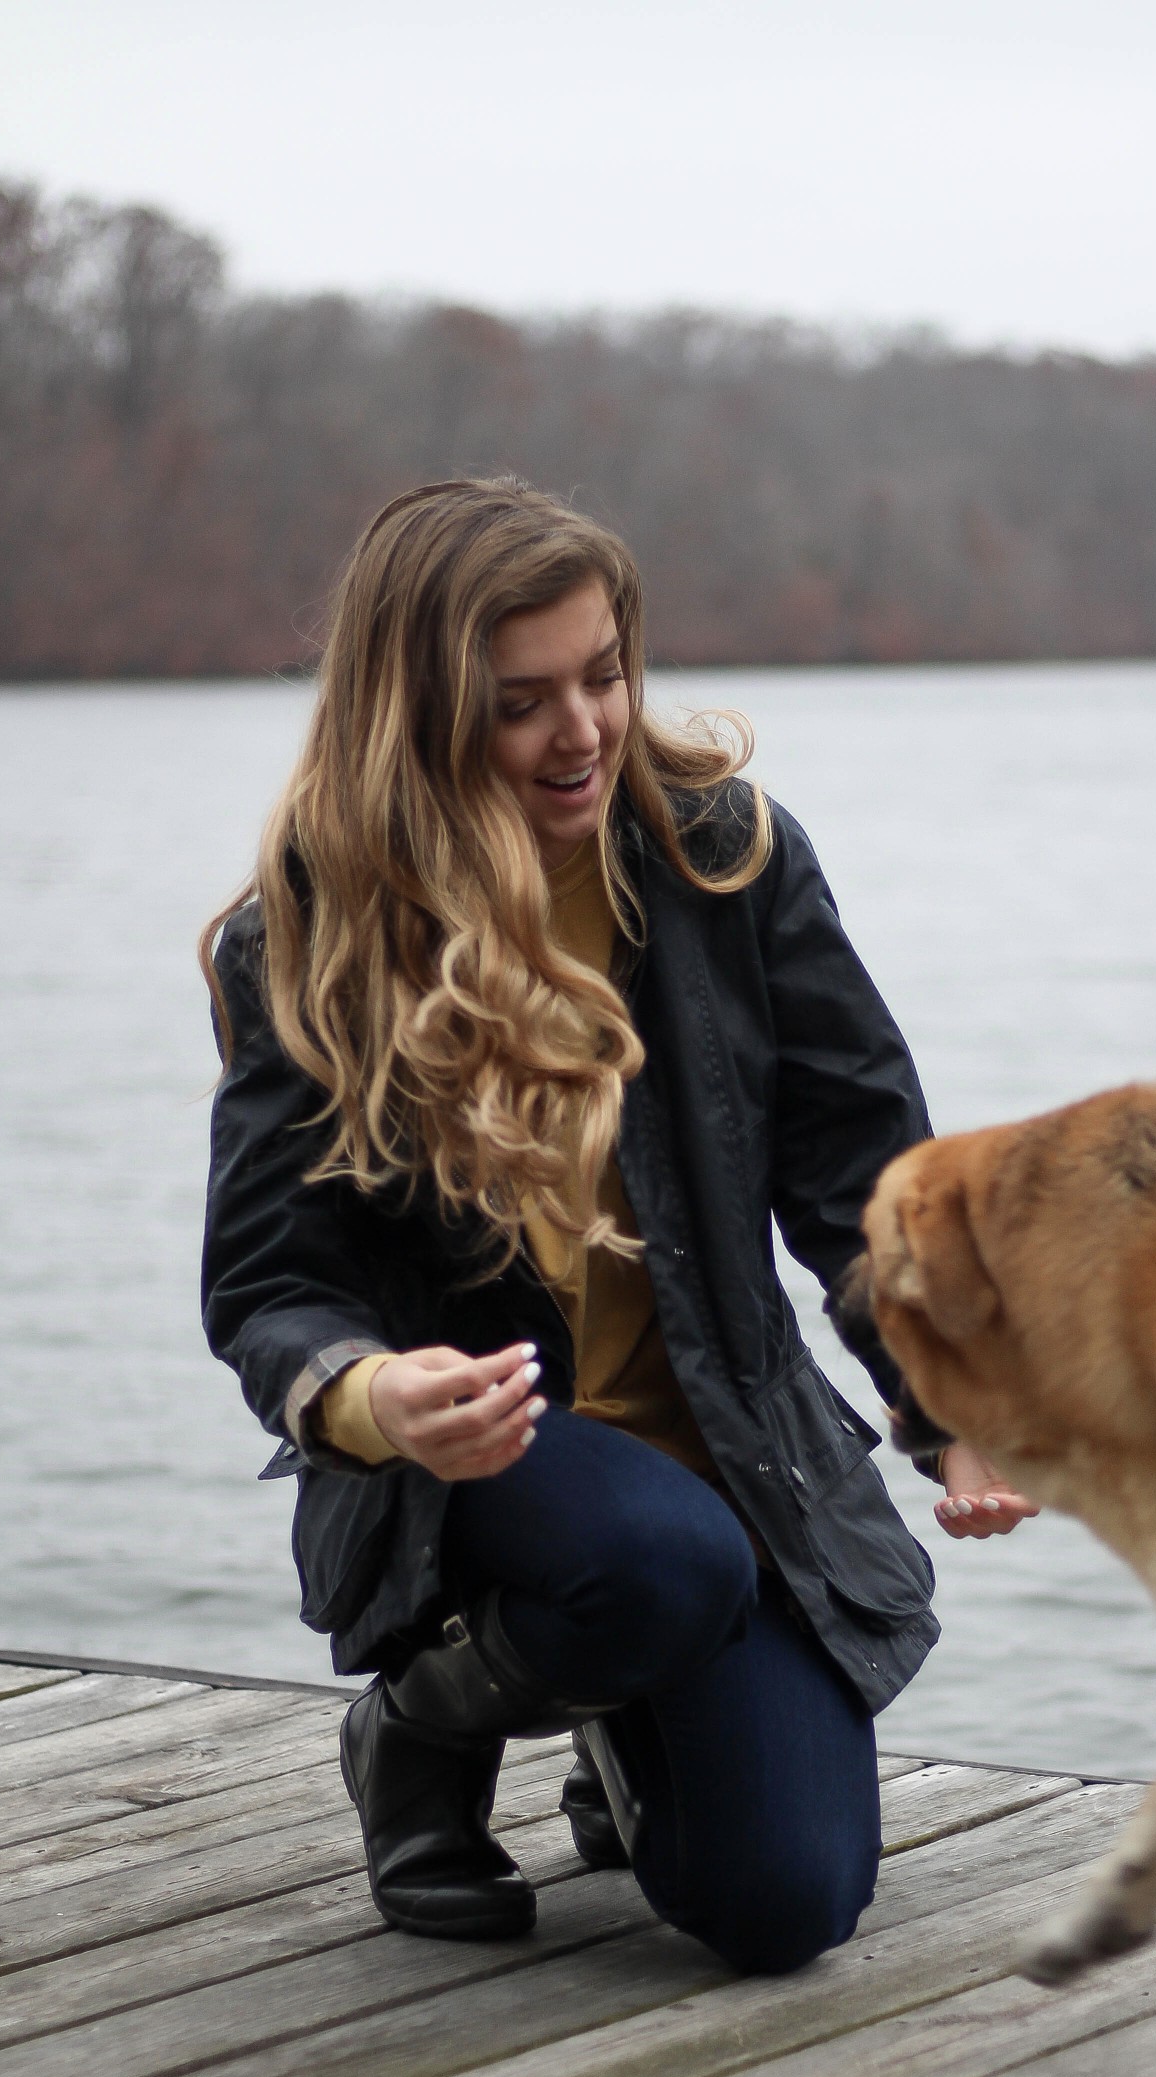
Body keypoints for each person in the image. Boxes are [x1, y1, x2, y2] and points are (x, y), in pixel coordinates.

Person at [201, 478, 1035, 1979]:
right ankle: (416, 1730)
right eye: (520, 704)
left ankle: (629, 1719)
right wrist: (376, 1396)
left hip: (731, 1448)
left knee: (784, 1907)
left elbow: (865, 1176)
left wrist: (949, 1405)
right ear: (417, 712)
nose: (581, 732)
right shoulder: (313, 933)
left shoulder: (731, 856)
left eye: (604, 675)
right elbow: (269, 1277)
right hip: (486, 1469)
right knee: (655, 1566)